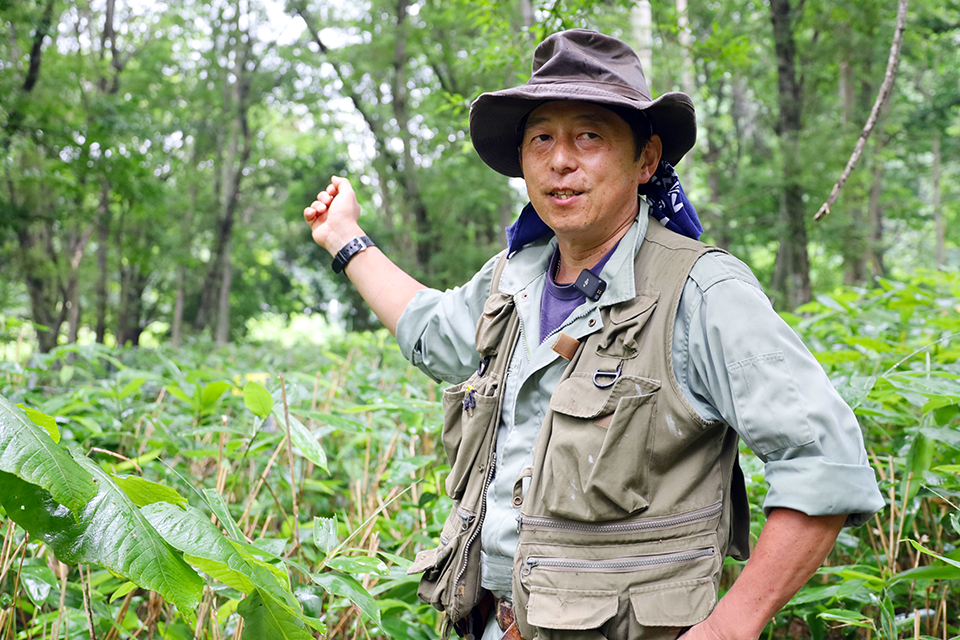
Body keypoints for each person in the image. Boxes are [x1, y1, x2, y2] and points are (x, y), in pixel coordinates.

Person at [304, 29, 884, 640]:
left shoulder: (700, 291)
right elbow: (431, 331)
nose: (560, 160)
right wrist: (345, 239)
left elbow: (825, 459)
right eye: (542, 138)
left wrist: (728, 628)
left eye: (589, 135)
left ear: (647, 160)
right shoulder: (514, 278)